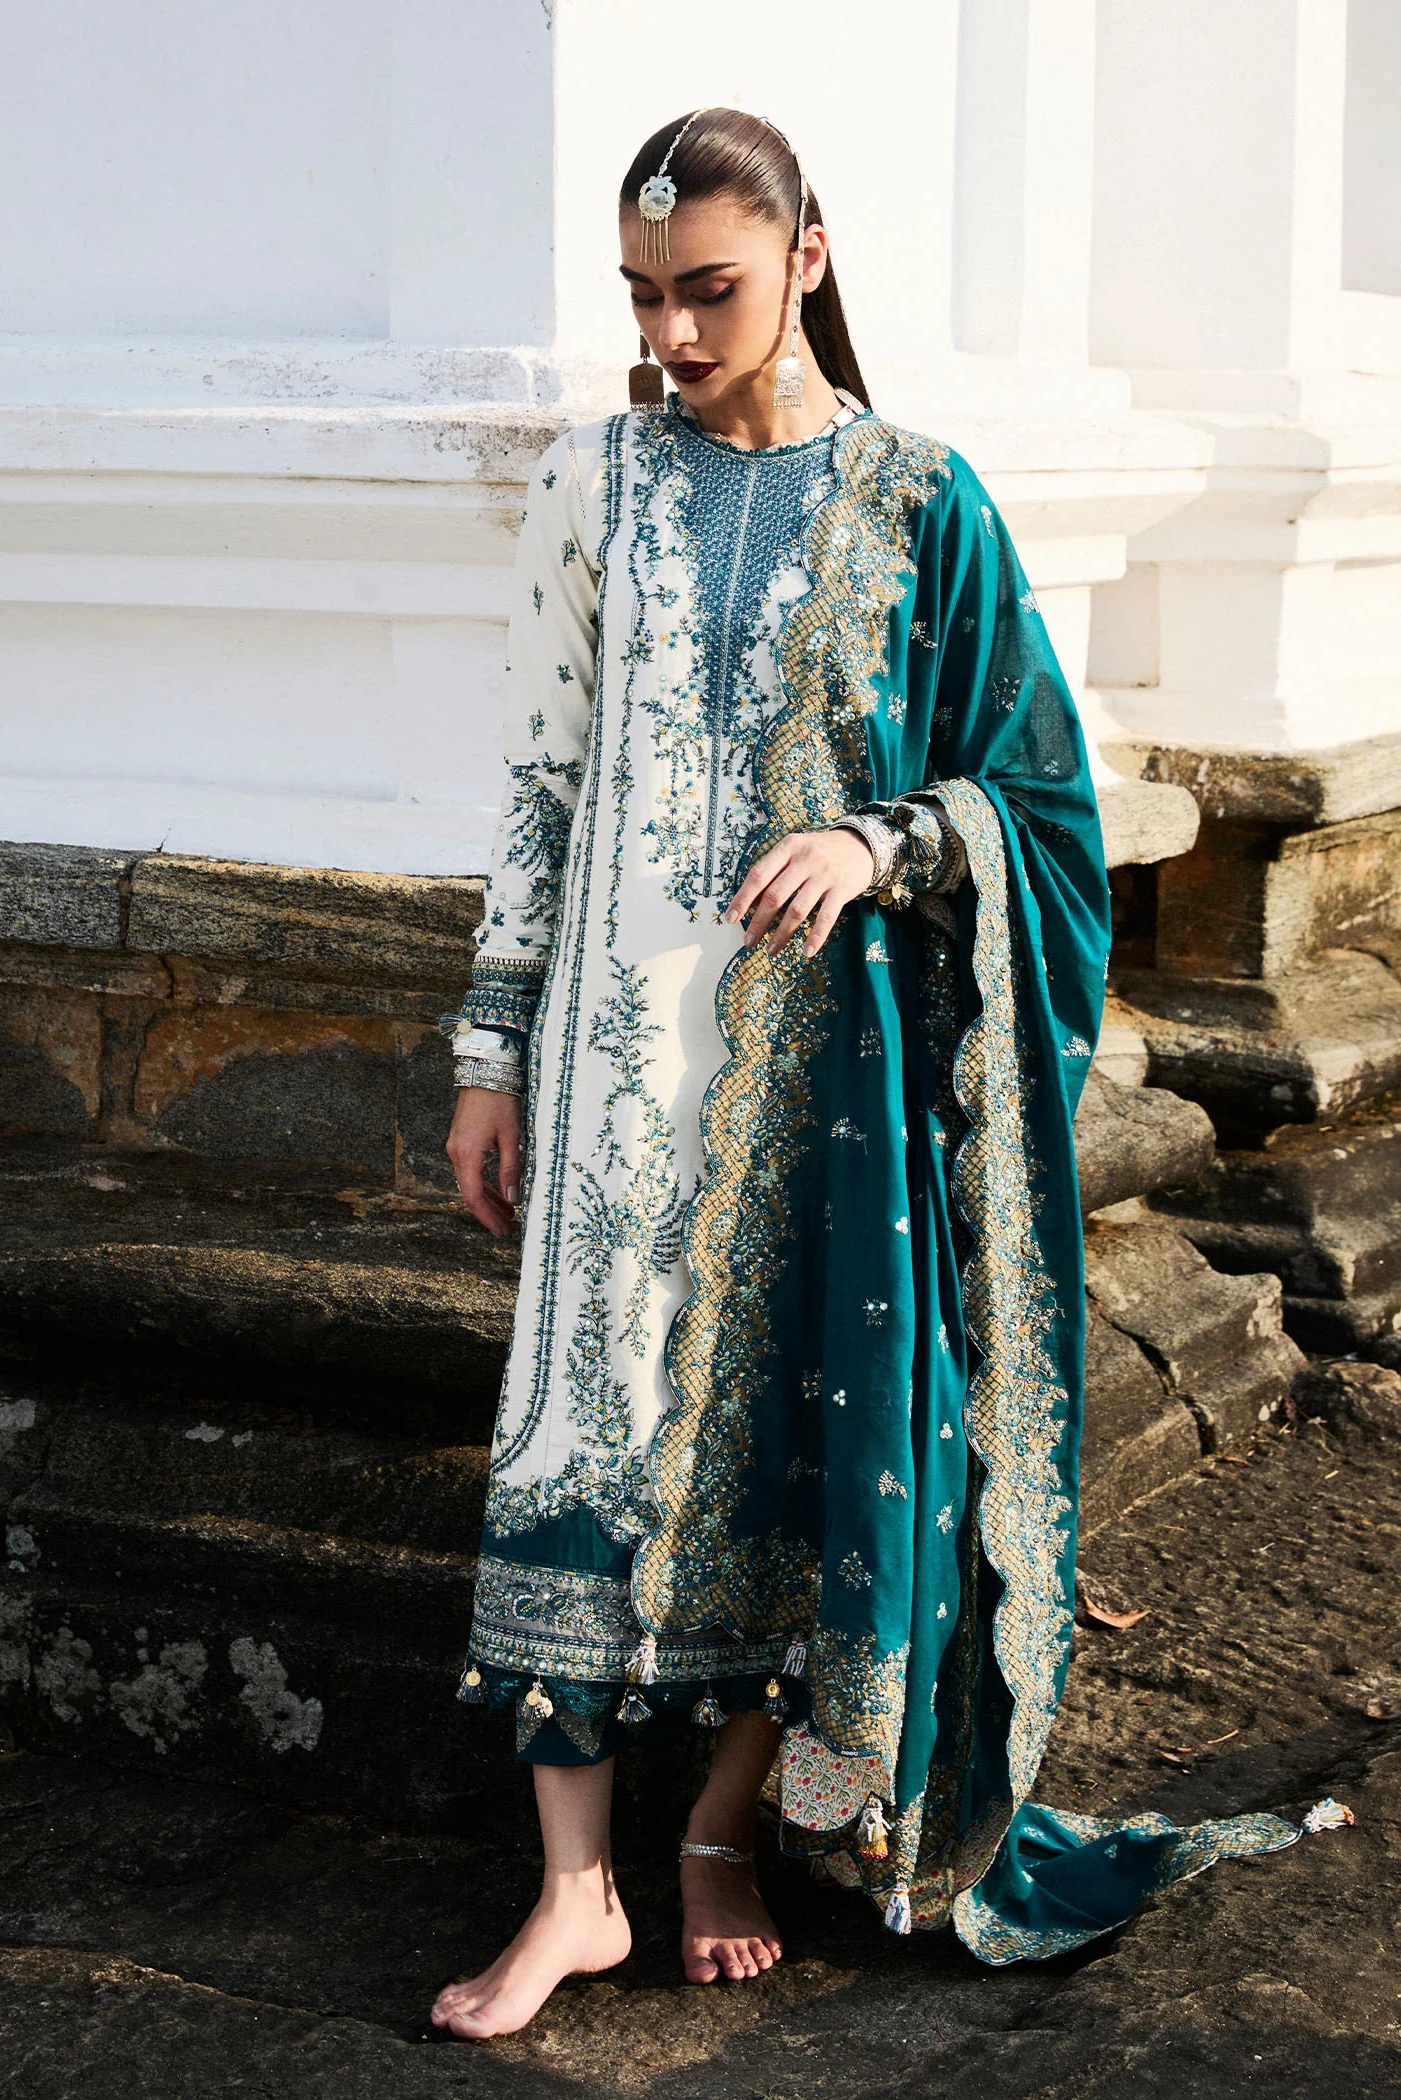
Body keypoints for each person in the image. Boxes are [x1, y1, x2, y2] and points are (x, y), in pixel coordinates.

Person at [429, 107, 1347, 2041]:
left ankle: (719, 1834)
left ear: (808, 262)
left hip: (823, 1078)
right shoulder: (593, 484)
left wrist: (884, 843)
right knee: (579, 1434)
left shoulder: (923, 499)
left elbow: (1042, 799)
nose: (674, 336)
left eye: (710, 290)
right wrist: (490, 1053)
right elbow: (540, 783)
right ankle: (573, 1887)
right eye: (643, 297)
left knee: (805, 1435)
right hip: (610, 1072)